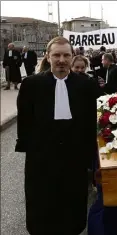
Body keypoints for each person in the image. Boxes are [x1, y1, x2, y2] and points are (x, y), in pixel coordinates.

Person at [15, 36, 97, 235]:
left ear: (72, 57)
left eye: (66, 55)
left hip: (74, 158)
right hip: (42, 158)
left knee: (72, 204)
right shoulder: (32, 85)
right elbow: (24, 122)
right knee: (42, 203)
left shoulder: (86, 85)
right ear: (48, 57)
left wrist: (91, 158)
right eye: (57, 55)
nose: (62, 59)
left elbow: (90, 123)